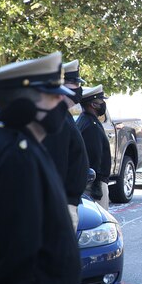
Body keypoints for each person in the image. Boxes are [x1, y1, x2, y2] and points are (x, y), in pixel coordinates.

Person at [0, 52, 81, 284]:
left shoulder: (29, 147)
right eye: (51, 93)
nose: (61, 99)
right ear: (24, 103)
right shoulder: (16, 155)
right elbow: (16, 254)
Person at [43, 59, 89, 231]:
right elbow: (56, 164)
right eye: (75, 83)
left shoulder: (63, 115)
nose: (79, 89)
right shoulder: (57, 118)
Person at [77, 84, 112, 210]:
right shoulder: (91, 125)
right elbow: (94, 156)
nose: (103, 104)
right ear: (93, 105)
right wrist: (97, 185)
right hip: (94, 183)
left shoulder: (86, 120)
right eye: (101, 101)